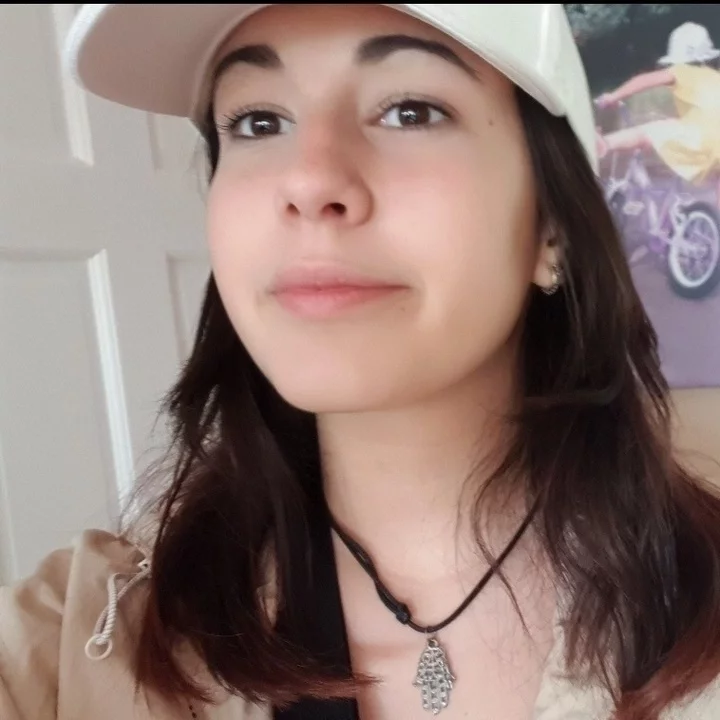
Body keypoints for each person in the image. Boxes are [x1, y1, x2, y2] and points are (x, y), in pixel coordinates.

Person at [2, 4, 720, 720]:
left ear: (552, 226)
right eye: (258, 122)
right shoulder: (82, 639)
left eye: (411, 112)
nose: (309, 181)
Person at [596, 22, 720, 195]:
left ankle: (604, 144)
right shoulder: (715, 77)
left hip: (701, 138)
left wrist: (613, 97)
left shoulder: (680, 71)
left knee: (645, 133)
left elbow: (644, 80)